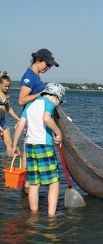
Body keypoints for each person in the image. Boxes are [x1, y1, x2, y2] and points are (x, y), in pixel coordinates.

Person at [12, 83, 65, 217]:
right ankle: (51, 217)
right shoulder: (49, 103)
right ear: (56, 97)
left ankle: (33, 215)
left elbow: (20, 126)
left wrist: (14, 145)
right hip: (44, 146)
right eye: (60, 101)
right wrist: (58, 133)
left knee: (34, 183)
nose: (58, 104)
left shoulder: (30, 105)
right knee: (53, 182)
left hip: (30, 146)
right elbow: (46, 118)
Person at [18, 48, 59, 190]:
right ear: (39, 60)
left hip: (34, 126)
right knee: (28, 164)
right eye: (47, 64)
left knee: (31, 166)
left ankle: (28, 197)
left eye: (50, 66)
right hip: (31, 126)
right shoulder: (29, 76)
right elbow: (21, 100)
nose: (48, 68)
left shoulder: (35, 76)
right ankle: (27, 193)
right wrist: (41, 94)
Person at [0, 72, 20, 156]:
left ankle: (8, 165)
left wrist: (18, 119)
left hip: (3, 121)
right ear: (0, 84)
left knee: (9, 144)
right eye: (5, 86)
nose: (7, 88)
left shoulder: (7, 96)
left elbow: (9, 109)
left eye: (9, 86)